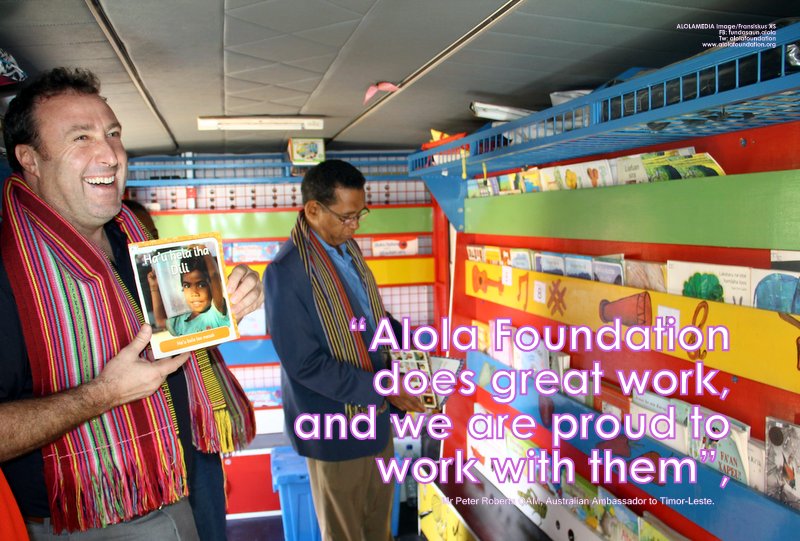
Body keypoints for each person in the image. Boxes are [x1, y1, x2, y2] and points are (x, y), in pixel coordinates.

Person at [0, 67, 262, 540]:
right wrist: (101, 394)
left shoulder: (134, 239)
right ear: (30, 159)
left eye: (114, 134)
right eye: (81, 137)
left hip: (177, 486)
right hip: (84, 521)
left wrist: (226, 308)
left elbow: (168, 348)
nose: (111, 154)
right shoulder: (8, 269)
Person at [264, 159, 425, 541]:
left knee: (379, 530)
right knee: (344, 535)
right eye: (347, 217)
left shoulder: (346, 250)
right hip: (334, 429)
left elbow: (370, 317)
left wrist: (415, 349)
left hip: (376, 420)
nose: (355, 226)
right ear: (313, 210)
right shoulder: (286, 272)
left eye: (360, 214)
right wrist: (385, 388)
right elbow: (305, 364)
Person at [148, 248, 231, 336]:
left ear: (211, 286)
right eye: (187, 286)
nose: (194, 293)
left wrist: (204, 250)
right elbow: (159, 322)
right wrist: (154, 288)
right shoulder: (180, 322)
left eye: (201, 285)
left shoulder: (216, 313)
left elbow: (214, 275)